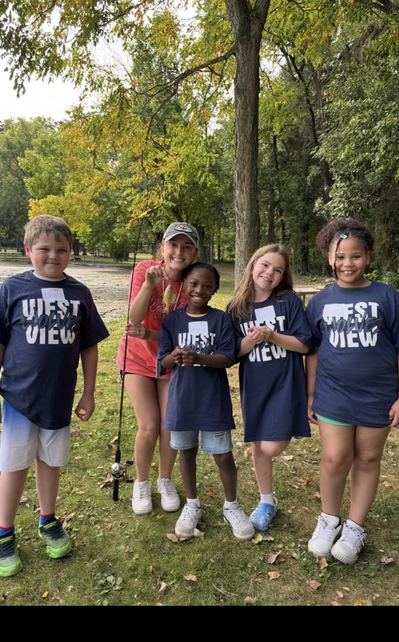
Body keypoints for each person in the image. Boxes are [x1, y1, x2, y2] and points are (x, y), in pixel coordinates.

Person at [0, 214, 109, 578]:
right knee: (14, 466)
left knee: (51, 462)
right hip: (19, 399)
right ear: (28, 250)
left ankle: (47, 519)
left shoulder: (80, 293)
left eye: (62, 250)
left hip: (59, 400)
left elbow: (90, 347)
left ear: (71, 253)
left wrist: (89, 392)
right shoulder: (12, 289)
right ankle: (4, 532)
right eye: (44, 249)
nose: (53, 256)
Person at [306, 217, 399, 564]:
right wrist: (310, 394)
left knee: (368, 458)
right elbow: (312, 352)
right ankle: (329, 519)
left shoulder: (387, 296)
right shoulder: (320, 301)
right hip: (333, 395)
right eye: (340, 256)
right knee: (335, 457)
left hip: (378, 398)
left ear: (368, 256)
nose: (347, 264)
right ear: (330, 258)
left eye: (355, 256)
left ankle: (355, 526)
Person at [157, 262, 255, 541]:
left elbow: (228, 358)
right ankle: (192, 503)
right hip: (181, 400)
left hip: (213, 401)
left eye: (207, 285)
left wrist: (198, 358)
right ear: (184, 284)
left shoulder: (221, 319)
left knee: (223, 456)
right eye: (194, 284)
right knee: (186, 452)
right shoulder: (172, 320)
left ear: (215, 290)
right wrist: (175, 357)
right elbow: (162, 362)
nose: (200, 290)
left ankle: (231, 505)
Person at [227, 245, 313, 532]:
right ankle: (266, 500)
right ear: (253, 266)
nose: (270, 273)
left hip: (286, 383)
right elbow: (231, 354)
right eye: (265, 265)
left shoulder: (287, 301)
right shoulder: (236, 307)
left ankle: (267, 497)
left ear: (283, 276)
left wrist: (272, 335)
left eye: (278, 270)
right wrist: (250, 342)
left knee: (272, 446)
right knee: (259, 445)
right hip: (255, 385)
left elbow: (304, 343)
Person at [116, 221, 199, 516]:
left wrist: (154, 336)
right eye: (173, 245)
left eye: (186, 246)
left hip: (170, 361)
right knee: (149, 424)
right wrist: (150, 285)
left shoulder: (193, 282)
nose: (179, 251)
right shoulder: (144, 270)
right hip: (138, 359)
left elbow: (186, 331)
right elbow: (134, 319)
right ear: (162, 248)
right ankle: (141, 482)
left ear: (194, 252)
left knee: (169, 424)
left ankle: (165, 479)